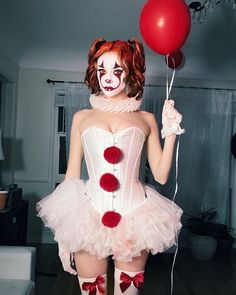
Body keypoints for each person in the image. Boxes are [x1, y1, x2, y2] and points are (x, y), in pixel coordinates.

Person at [37, 38, 184, 295]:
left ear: (131, 72)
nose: (108, 78)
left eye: (117, 71)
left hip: (136, 217)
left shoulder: (146, 119)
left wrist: (170, 133)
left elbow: (160, 175)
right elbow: (72, 177)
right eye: (101, 70)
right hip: (89, 218)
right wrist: (64, 236)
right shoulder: (81, 117)